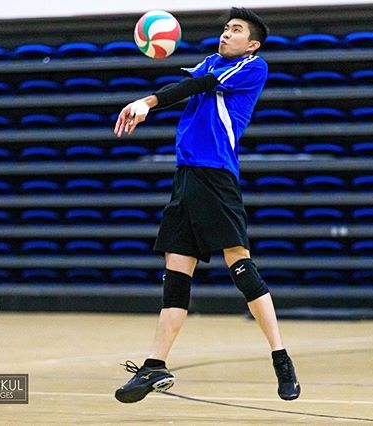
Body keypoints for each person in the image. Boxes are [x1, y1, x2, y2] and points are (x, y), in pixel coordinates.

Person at [113, 7, 300, 403]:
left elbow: (198, 86)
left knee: (241, 266)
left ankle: (280, 356)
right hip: (186, 178)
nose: (226, 34)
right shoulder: (212, 61)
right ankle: (154, 367)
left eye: (235, 30)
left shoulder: (253, 66)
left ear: (252, 43)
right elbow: (184, 86)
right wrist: (148, 103)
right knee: (176, 276)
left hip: (216, 176)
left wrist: (145, 102)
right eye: (225, 28)